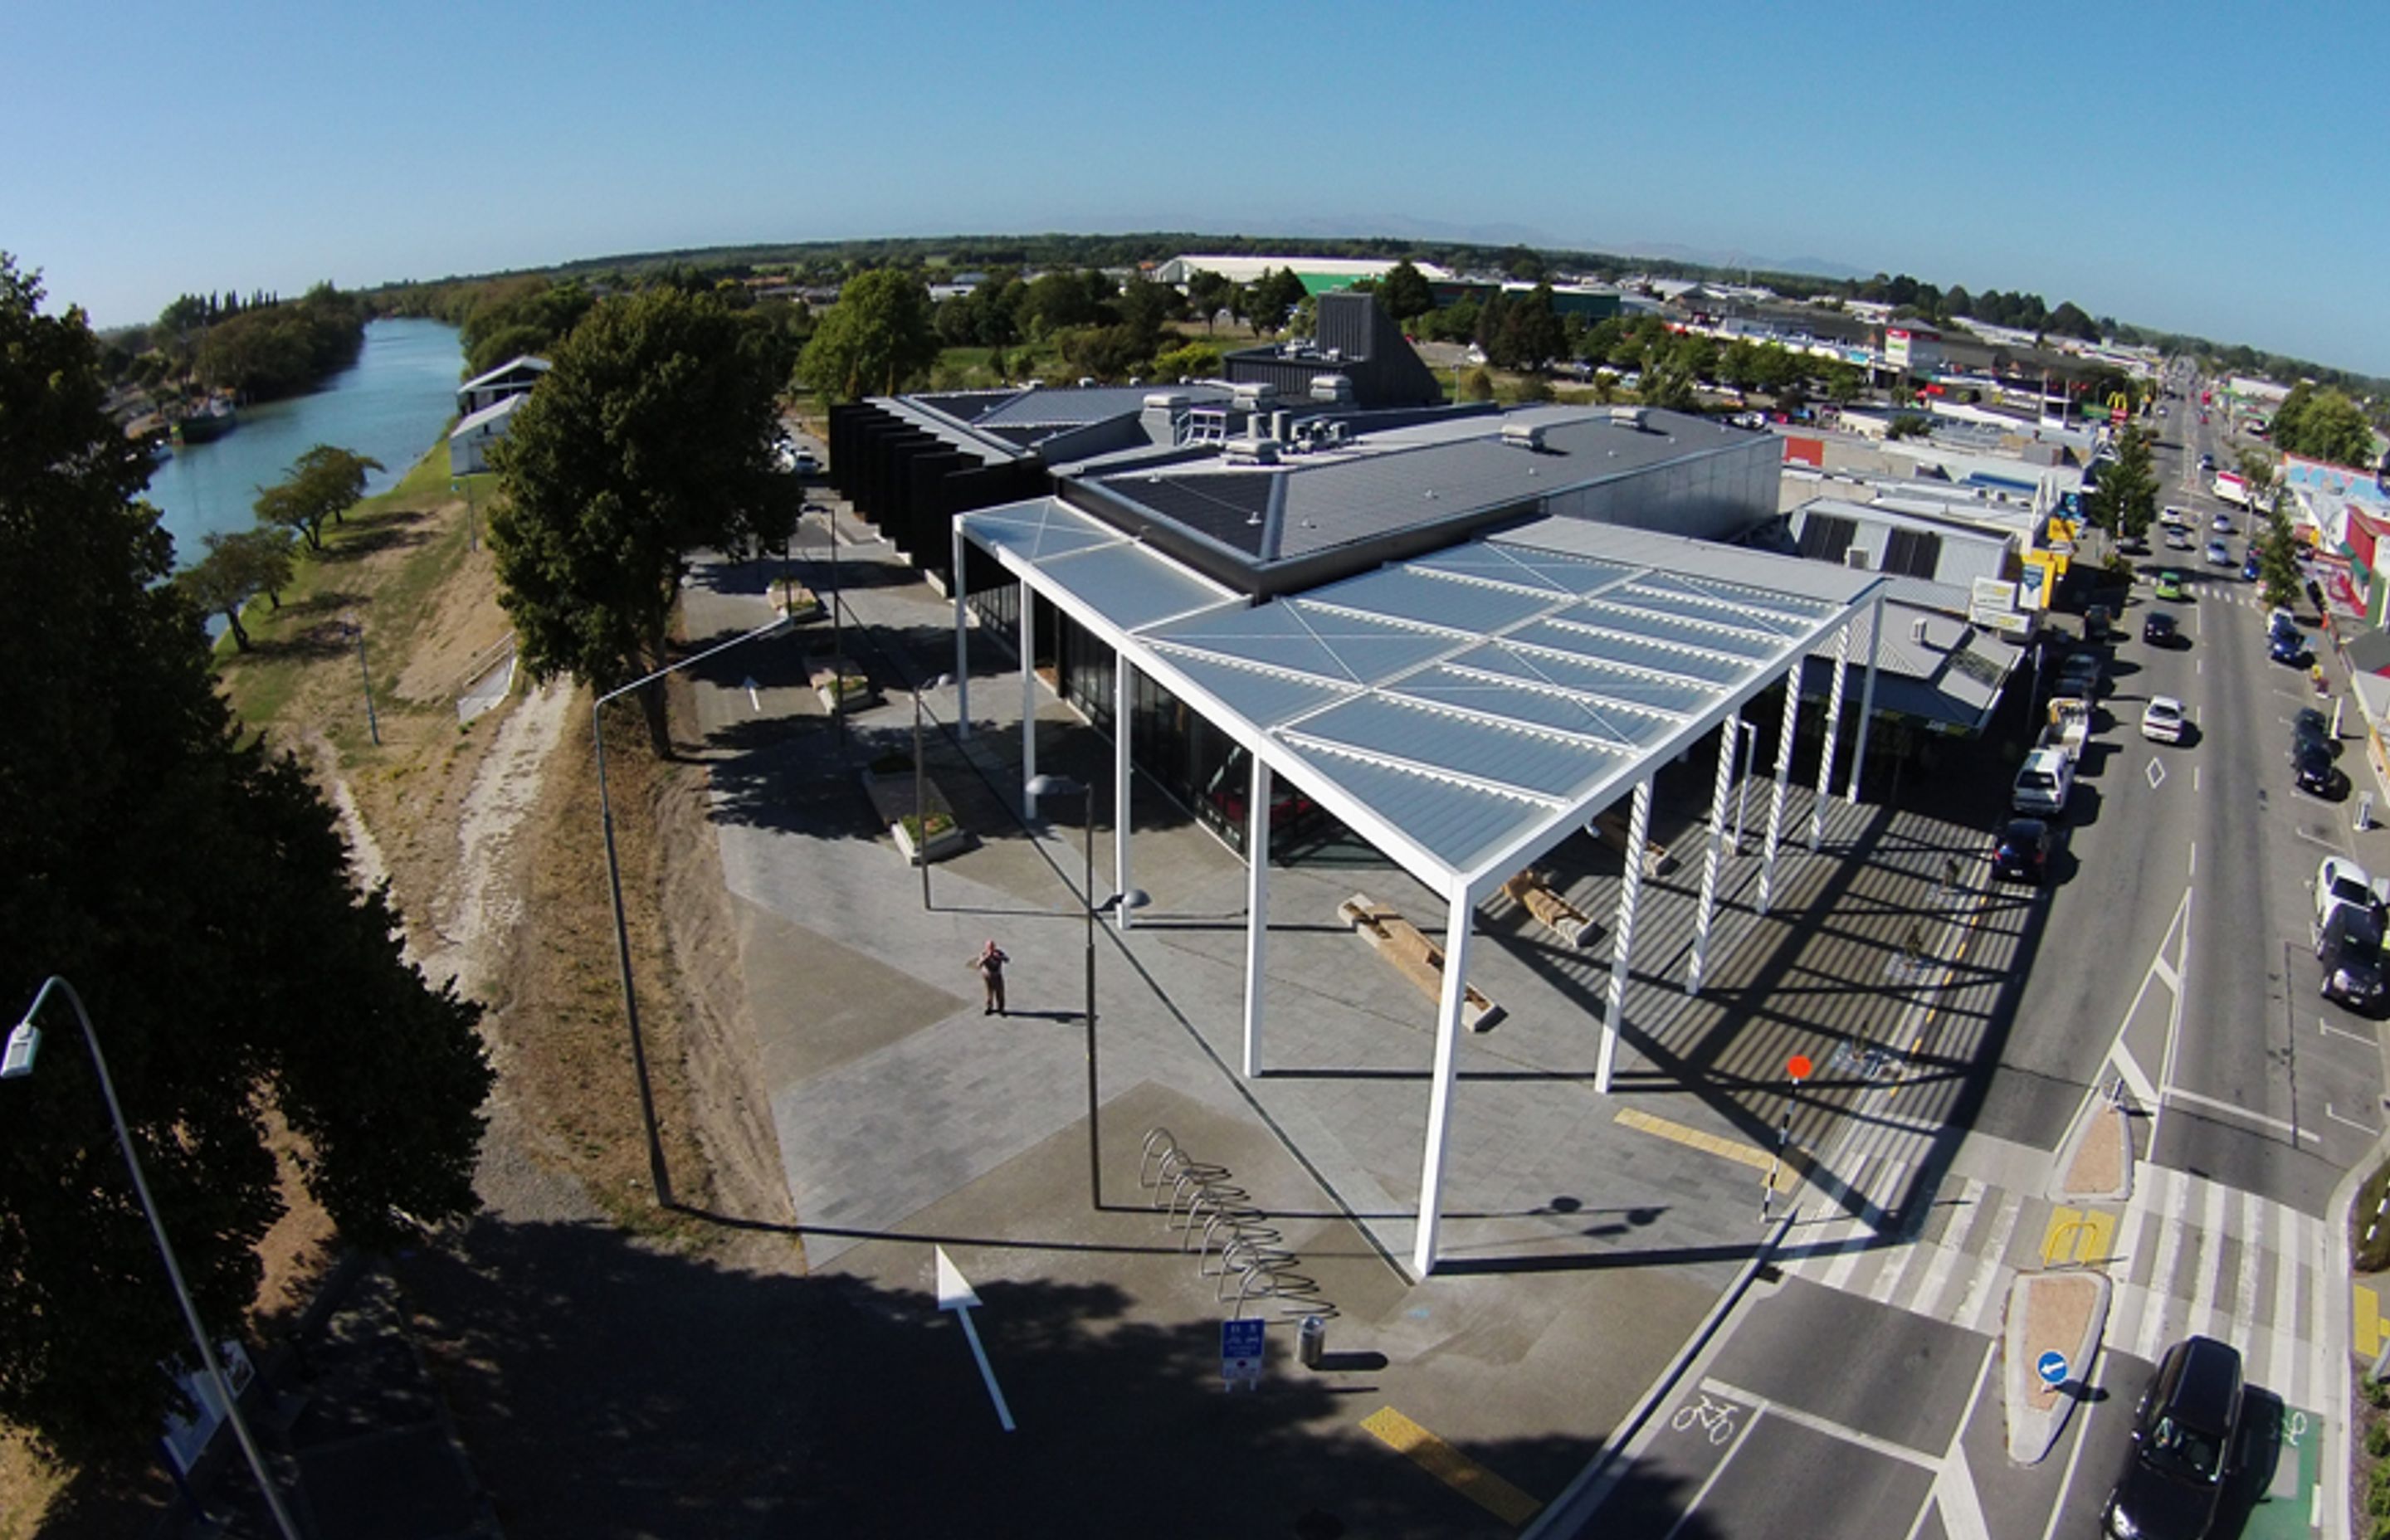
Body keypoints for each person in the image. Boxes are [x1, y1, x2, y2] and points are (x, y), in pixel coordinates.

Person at [972, 939, 1008, 1016]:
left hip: (997, 975)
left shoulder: (999, 953)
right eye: (989, 947)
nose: (991, 949)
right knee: (989, 992)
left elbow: (1007, 959)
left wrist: (1000, 957)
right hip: (987, 976)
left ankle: (1001, 1009)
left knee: (1000, 992)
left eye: (992, 947)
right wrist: (987, 957)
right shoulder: (983, 954)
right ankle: (989, 1007)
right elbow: (978, 965)